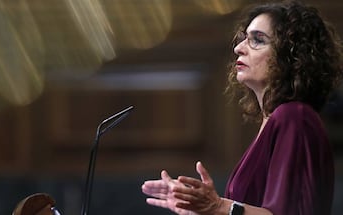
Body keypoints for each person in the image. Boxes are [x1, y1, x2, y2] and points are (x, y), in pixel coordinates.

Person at [141, 1, 343, 215]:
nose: (238, 48)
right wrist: (204, 211)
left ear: (291, 55)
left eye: (257, 40)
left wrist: (219, 206)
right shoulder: (277, 119)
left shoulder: (293, 116)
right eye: (244, 38)